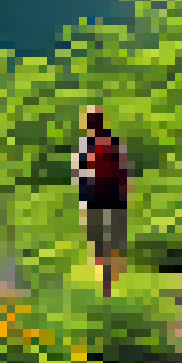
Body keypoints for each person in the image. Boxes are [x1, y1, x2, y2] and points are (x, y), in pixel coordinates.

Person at [76, 107, 132, 298]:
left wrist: (83, 201)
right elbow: (123, 170)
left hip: (94, 197)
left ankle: (104, 280)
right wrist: (124, 196)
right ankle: (109, 276)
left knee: (97, 239)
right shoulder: (113, 142)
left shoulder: (85, 145)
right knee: (114, 239)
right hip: (114, 196)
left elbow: (82, 175)